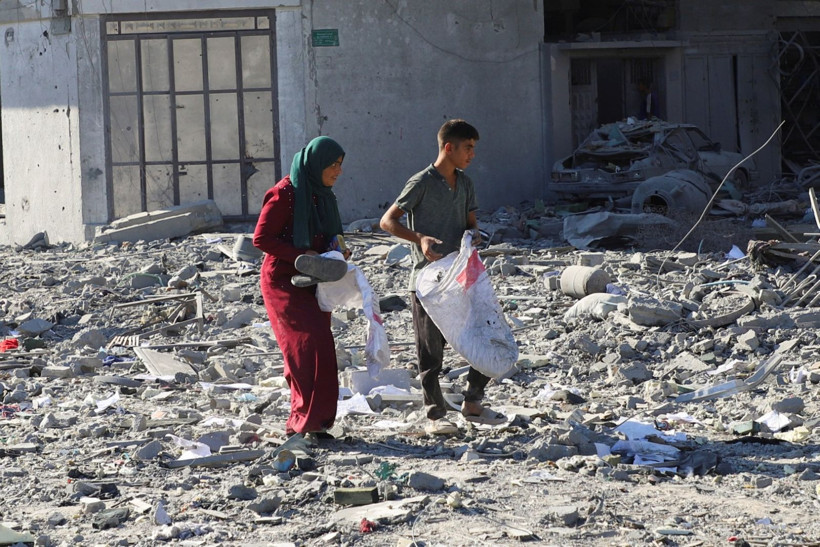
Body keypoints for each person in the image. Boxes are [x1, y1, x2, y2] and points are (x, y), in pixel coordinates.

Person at [379, 119, 506, 435]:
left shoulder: (464, 183)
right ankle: (436, 414)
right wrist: (420, 238)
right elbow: (387, 221)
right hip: (428, 283)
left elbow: (471, 222)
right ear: (449, 147)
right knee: (430, 351)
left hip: (461, 278)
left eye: (474, 148)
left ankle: (473, 402)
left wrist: (474, 236)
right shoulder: (421, 182)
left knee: (482, 336)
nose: (472, 154)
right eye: (468, 147)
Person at [253, 136, 348, 440]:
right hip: (282, 281)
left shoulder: (323, 195)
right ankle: (304, 421)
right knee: (307, 346)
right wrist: (300, 255)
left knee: (317, 347)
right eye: (332, 165)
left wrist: (338, 250)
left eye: (340, 165)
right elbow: (261, 239)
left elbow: (331, 233)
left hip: (313, 280)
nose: (337, 171)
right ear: (315, 164)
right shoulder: (286, 195)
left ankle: (316, 423)